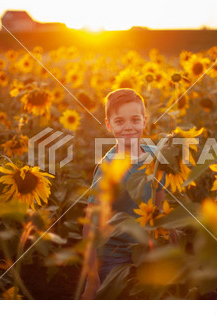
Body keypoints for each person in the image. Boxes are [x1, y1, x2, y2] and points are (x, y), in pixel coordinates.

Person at [81, 88, 166, 299]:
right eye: (120, 121)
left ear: (144, 121)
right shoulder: (108, 168)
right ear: (109, 125)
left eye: (135, 119)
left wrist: (173, 251)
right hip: (114, 255)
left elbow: (162, 210)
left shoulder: (156, 158)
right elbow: (90, 226)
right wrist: (92, 280)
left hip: (149, 249)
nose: (128, 127)